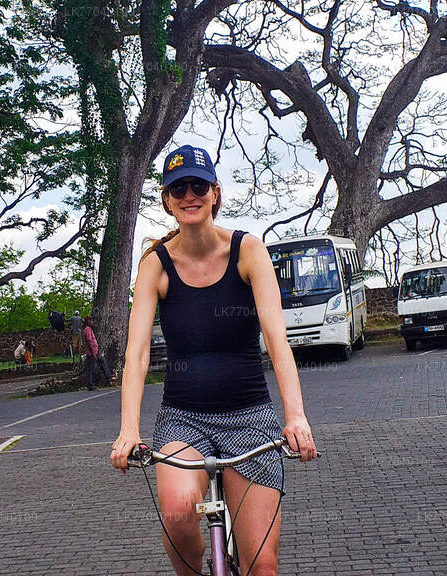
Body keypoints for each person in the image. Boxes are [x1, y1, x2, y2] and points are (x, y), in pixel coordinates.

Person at [109, 144, 318, 576]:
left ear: (215, 193)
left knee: (262, 565)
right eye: (178, 187)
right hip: (184, 419)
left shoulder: (248, 251)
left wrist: (295, 416)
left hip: (250, 419)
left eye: (199, 185)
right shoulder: (156, 265)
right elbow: (137, 354)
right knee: (178, 509)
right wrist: (129, 429)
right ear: (167, 200)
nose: (190, 194)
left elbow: (278, 342)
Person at [83, 315, 112, 391]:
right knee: (91, 369)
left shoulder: (90, 329)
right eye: (91, 321)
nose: (92, 322)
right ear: (87, 321)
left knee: (103, 362)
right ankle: (91, 386)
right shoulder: (87, 330)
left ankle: (108, 378)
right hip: (91, 353)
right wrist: (93, 354)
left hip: (95, 352)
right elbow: (89, 342)